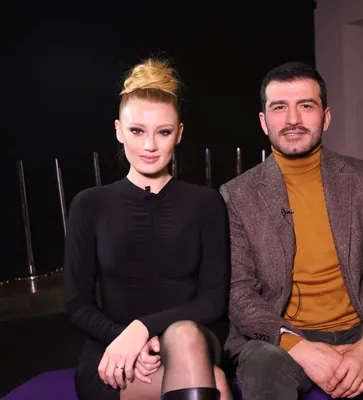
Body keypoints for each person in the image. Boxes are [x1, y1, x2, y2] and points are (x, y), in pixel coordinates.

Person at [219, 61, 363, 400]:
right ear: (263, 121)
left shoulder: (362, 179)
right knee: (262, 365)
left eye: (306, 106)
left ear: (326, 117)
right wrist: (301, 348)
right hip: (281, 341)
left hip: (361, 329)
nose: (293, 119)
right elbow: (239, 293)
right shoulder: (237, 194)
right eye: (279, 107)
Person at [64, 58, 232, 400]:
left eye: (163, 132)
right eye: (137, 131)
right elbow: (77, 303)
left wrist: (141, 329)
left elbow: (213, 301)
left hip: (191, 340)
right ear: (118, 130)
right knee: (215, 383)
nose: (150, 146)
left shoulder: (206, 203)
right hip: (113, 348)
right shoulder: (90, 204)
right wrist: (124, 339)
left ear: (179, 133)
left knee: (184, 335)